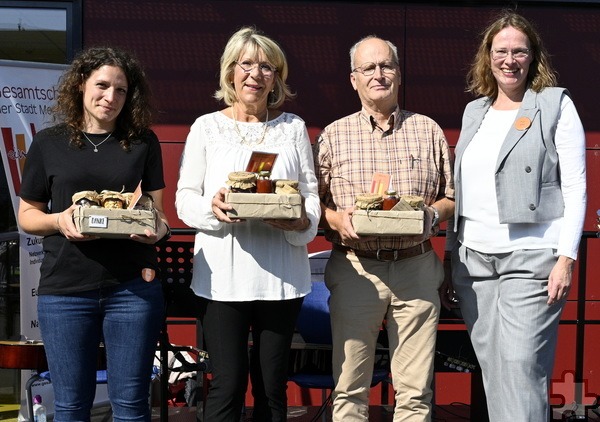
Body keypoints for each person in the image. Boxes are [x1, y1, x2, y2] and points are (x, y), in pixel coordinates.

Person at [446, 12, 587, 422]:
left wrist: (567, 258)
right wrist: (452, 257)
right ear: (487, 57)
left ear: (533, 57)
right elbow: (462, 190)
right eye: (501, 51)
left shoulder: (555, 105)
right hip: (474, 264)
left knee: (522, 369)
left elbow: (576, 187)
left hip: (532, 260)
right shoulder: (475, 112)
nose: (510, 60)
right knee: (496, 372)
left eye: (519, 51)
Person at [175, 27, 320, 422]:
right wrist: (215, 207)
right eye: (246, 64)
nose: (255, 74)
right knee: (227, 384)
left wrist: (298, 221)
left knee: (272, 386)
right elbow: (185, 197)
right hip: (222, 278)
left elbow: (309, 193)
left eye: (266, 67)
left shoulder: (292, 127)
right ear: (230, 72)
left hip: (282, 278)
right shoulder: (206, 127)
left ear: (277, 77)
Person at [18, 47, 170, 422]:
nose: (111, 97)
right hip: (66, 291)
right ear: (81, 85)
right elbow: (27, 215)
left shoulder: (142, 142)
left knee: (132, 406)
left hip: (131, 289)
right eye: (102, 85)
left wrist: (157, 232)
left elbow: (158, 214)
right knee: (70, 407)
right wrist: (59, 221)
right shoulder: (49, 142)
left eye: (121, 90)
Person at [313, 35, 455, 421]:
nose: (379, 74)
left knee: (415, 393)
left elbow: (452, 197)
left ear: (398, 73)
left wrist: (432, 215)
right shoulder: (332, 135)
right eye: (369, 68)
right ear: (353, 79)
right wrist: (336, 219)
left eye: (386, 65)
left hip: (416, 269)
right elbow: (314, 203)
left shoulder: (428, 130)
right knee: (349, 389)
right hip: (356, 268)